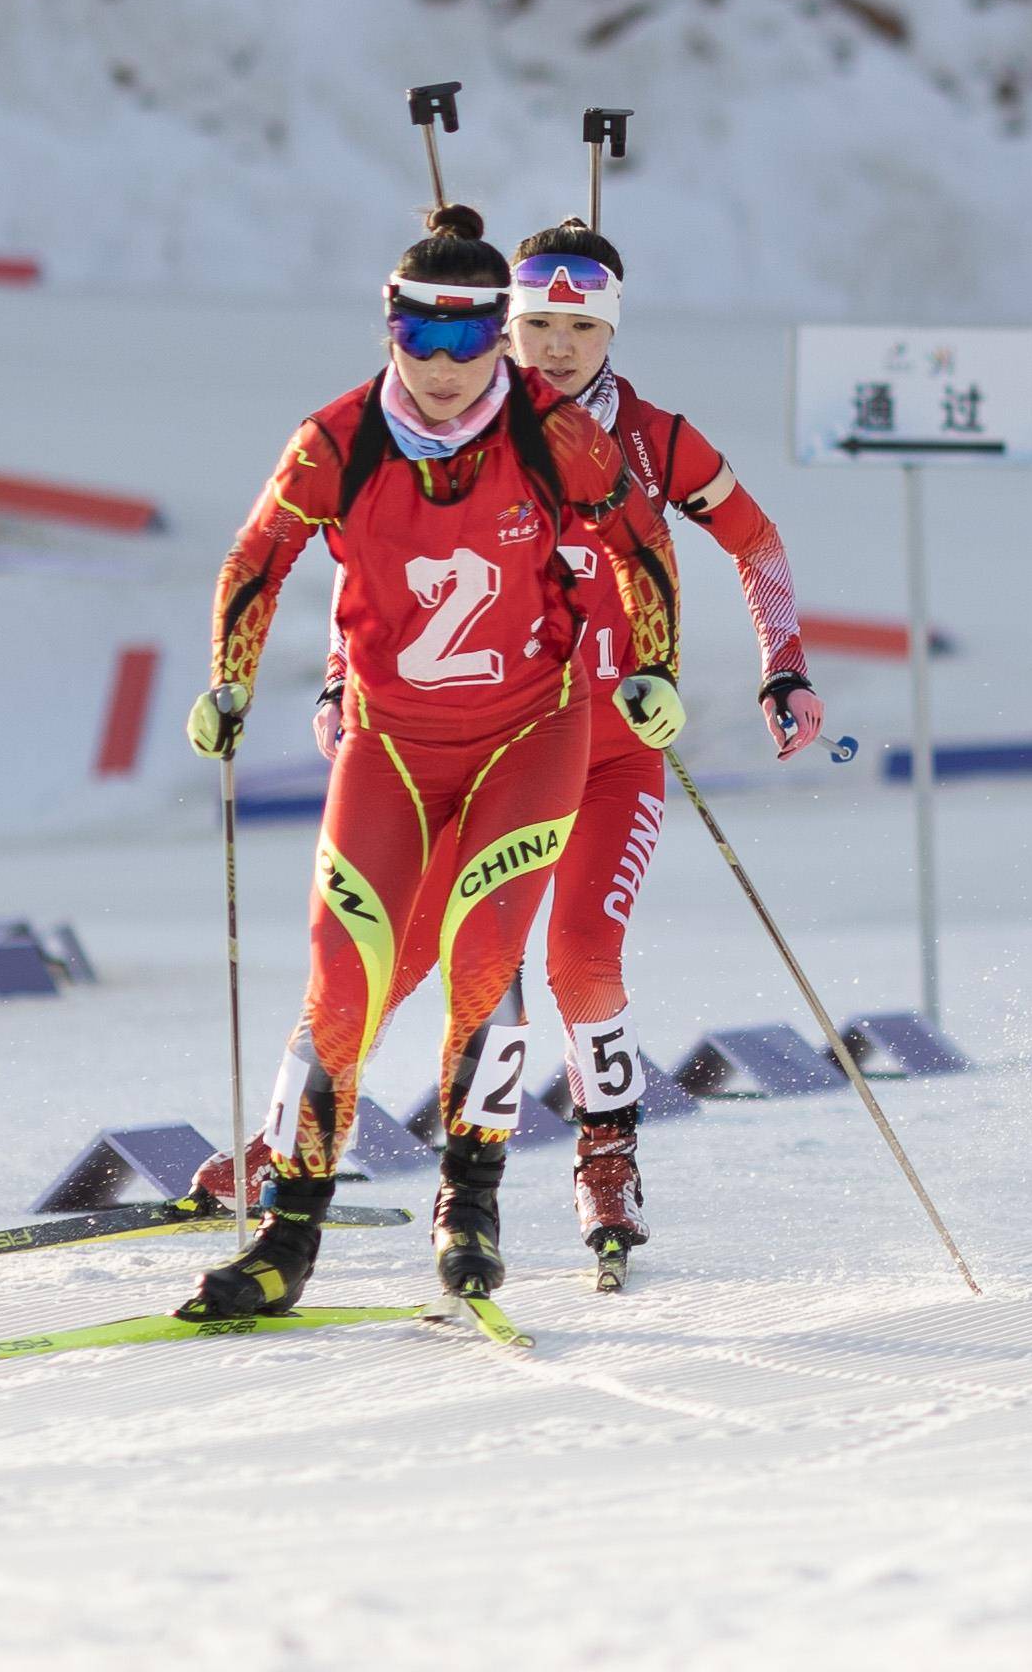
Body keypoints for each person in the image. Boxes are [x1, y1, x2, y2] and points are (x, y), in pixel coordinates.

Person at [177, 207, 687, 1318]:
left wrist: (654, 663)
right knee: (342, 970)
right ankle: (288, 1236)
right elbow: (256, 553)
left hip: (529, 737)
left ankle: (473, 1203)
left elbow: (642, 538)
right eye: (421, 333)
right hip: (392, 747)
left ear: (504, 335)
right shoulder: (338, 436)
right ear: (388, 328)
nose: (445, 364)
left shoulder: (555, 431)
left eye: (471, 337)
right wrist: (229, 678)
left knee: (484, 958)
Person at [439, 219, 824, 1272]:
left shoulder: (656, 439)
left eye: (578, 325)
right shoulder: (453, 425)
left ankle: (607, 1154)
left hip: (615, 750)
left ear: (609, 329)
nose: (555, 346)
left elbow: (756, 538)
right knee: (482, 966)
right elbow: (372, 556)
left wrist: (779, 661)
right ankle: (461, 1182)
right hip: (499, 747)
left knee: (582, 962)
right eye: (535, 324)